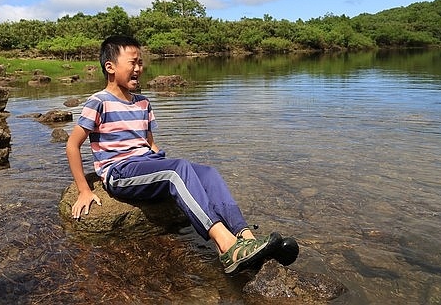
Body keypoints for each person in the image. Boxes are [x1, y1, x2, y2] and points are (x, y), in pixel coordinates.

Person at [66, 35, 292, 274]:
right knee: (177, 170)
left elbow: (150, 144)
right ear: (110, 67)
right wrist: (84, 190)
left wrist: (173, 172)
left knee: (207, 173)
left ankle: (245, 237)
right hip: (120, 172)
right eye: (132, 62)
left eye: (141, 63)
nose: (138, 68)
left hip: (146, 164)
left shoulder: (143, 103)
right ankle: (227, 246)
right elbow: (72, 145)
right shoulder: (98, 102)